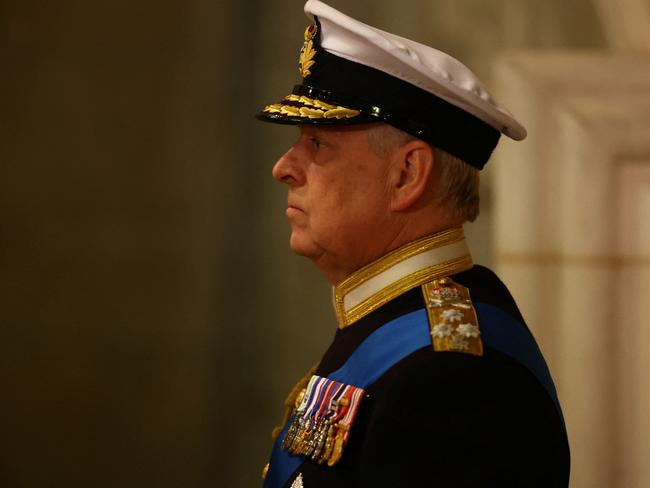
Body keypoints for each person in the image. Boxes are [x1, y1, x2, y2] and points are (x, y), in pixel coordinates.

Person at [257, 1, 570, 487]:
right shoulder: (399, 322)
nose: (283, 166)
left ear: (407, 174)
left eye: (318, 143)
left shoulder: (452, 378)